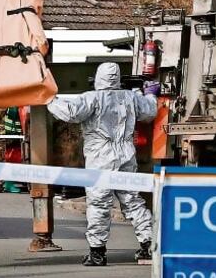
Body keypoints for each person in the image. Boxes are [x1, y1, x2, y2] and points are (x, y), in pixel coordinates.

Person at [47, 62, 158, 266]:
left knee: (99, 203)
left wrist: (48, 99)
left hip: (100, 157)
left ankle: (97, 253)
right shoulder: (131, 97)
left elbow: (70, 112)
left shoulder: (92, 98)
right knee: (132, 201)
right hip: (126, 153)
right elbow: (150, 112)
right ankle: (149, 246)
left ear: (98, 78)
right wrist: (150, 93)